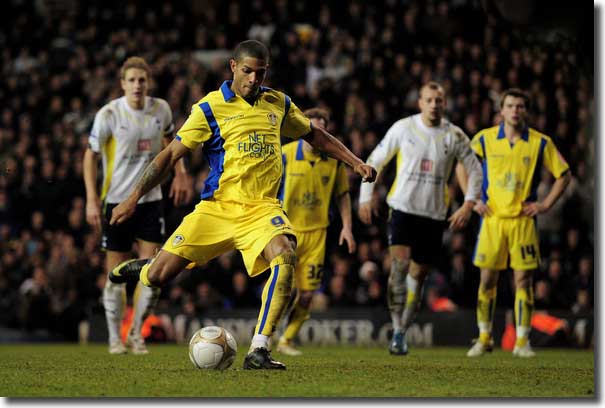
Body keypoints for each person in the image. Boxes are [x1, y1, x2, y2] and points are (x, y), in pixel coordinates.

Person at [107, 40, 376, 369]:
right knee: (159, 277)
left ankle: (260, 348)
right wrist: (133, 197)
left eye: (260, 73)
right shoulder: (209, 108)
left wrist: (355, 162)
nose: (253, 79)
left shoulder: (278, 103)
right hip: (217, 208)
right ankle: (145, 268)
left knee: (286, 253)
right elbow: (168, 156)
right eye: (247, 71)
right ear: (233, 67)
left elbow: (316, 136)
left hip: (262, 209)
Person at [358, 81, 482, 355]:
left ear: (444, 104)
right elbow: (376, 159)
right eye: (429, 100)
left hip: (434, 215)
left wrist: (468, 203)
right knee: (399, 268)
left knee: (418, 275)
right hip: (402, 208)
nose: (434, 105)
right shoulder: (404, 128)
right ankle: (396, 329)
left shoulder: (455, 135)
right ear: (420, 103)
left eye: (439, 100)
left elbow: (474, 169)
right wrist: (365, 196)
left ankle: (402, 329)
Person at [83, 57, 194, 354]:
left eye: (141, 80)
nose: (137, 85)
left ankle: (136, 334)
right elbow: (90, 155)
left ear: (149, 82)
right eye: (131, 80)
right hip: (117, 202)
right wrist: (92, 199)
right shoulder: (109, 114)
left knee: (151, 271)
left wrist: (181, 174)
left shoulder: (161, 110)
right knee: (116, 274)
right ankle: (114, 338)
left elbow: (173, 143)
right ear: (122, 83)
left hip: (150, 201)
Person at [463, 88, 571, 358]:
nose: (515, 110)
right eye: (510, 105)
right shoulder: (485, 139)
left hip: (523, 221)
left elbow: (564, 174)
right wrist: (472, 199)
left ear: (526, 111)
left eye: (520, 106)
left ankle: (522, 341)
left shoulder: (539, 143)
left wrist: (545, 205)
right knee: (487, 280)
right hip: (492, 220)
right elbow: (462, 164)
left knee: (523, 281)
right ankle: (485, 337)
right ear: (501, 110)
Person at [275, 108, 356, 356]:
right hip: (288, 231)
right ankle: (266, 333)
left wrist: (347, 228)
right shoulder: (286, 155)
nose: (316, 134)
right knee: (281, 286)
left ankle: (286, 339)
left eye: (322, 129)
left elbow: (342, 196)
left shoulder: (334, 162)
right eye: (312, 129)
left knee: (308, 294)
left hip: (317, 234)